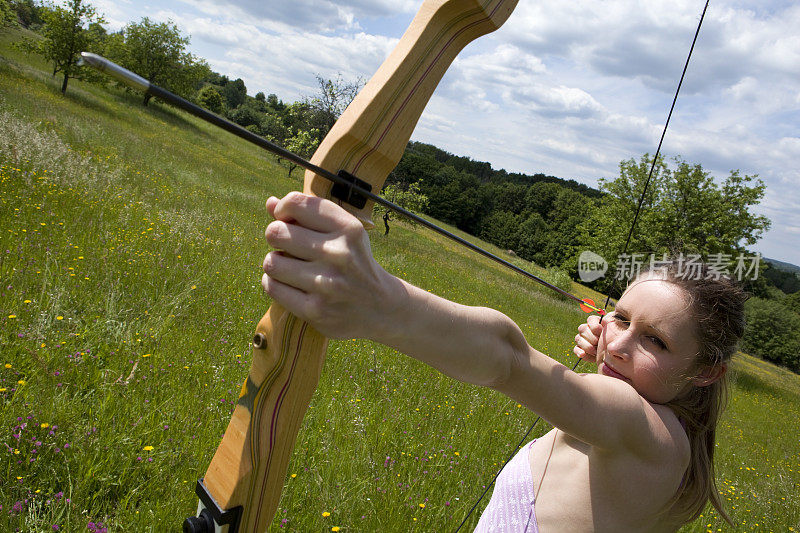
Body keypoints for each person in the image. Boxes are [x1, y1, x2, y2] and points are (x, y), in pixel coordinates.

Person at [261, 192, 746, 532]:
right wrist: (614, 356)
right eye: (620, 318)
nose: (618, 344)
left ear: (707, 371)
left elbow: (509, 360)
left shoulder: (644, 431)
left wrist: (384, 304)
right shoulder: (664, 437)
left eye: (657, 342)